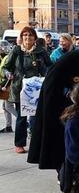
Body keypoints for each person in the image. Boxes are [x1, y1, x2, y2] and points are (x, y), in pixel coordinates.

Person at [27, 41, 79, 171]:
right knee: (58, 136)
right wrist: (68, 93)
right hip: (57, 102)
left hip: (75, 103)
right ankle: (61, 168)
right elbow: (53, 81)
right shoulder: (71, 58)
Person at [2, 26, 52, 154]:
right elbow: (6, 67)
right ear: (21, 37)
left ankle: (36, 144)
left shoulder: (41, 51)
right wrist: (8, 74)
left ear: (35, 38)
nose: (27, 38)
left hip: (36, 88)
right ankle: (19, 144)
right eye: (25, 35)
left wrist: (45, 75)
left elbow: (50, 67)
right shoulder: (16, 50)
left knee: (36, 117)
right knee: (21, 117)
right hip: (19, 88)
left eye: (30, 35)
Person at [0, 41, 14, 133]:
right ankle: (8, 126)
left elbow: (8, 73)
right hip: (5, 84)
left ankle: (25, 121)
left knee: (8, 105)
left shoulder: (6, 58)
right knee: (5, 106)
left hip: (8, 84)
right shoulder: (3, 57)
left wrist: (2, 85)